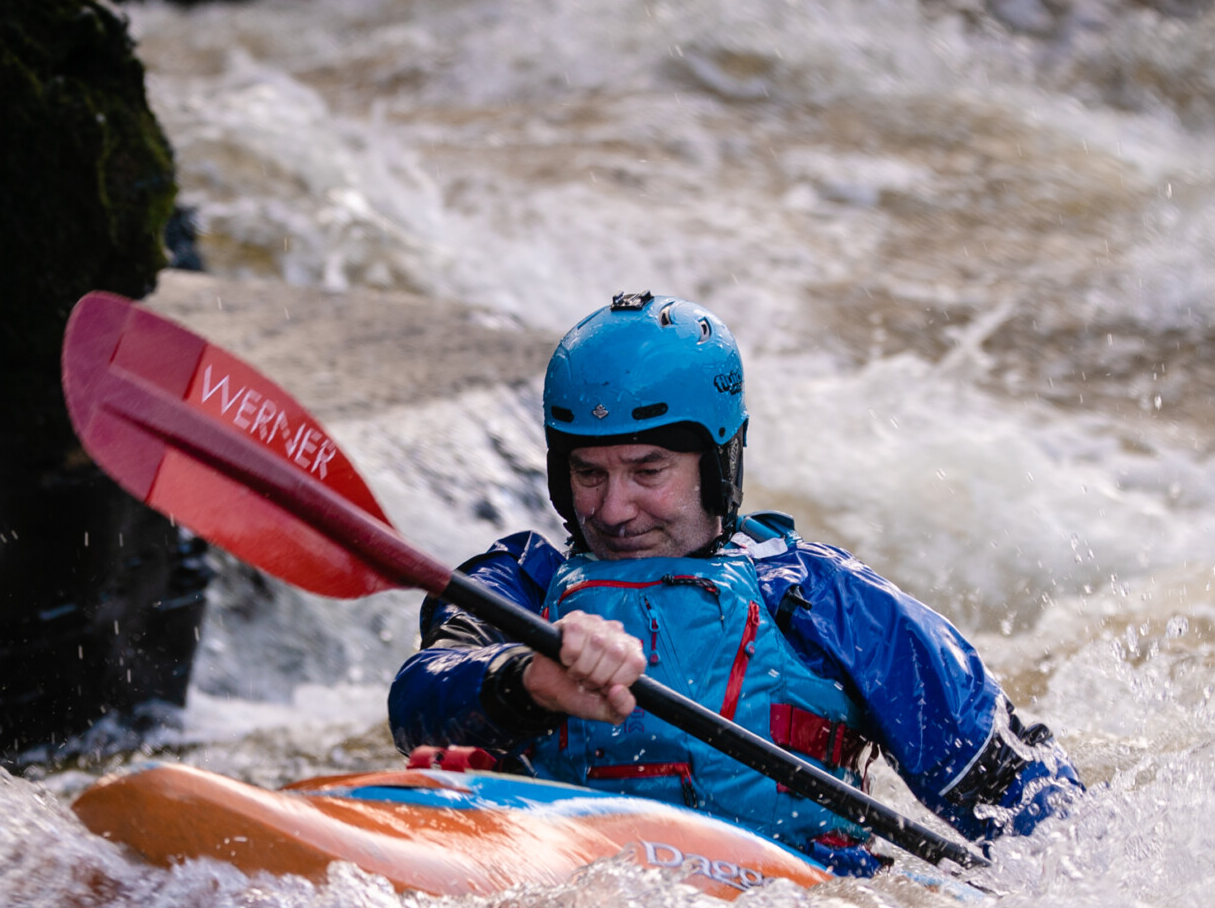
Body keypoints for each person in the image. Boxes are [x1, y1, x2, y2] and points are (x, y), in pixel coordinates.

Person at [388, 292, 1080, 875]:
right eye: (589, 473)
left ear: (720, 463)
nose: (612, 508)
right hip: (567, 890)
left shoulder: (826, 599)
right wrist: (528, 679)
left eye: (647, 471)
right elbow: (419, 699)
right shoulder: (516, 584)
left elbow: (1023, 803)